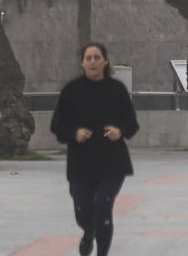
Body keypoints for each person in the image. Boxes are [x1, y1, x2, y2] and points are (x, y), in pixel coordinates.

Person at [51, 42, 139, 256]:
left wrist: (120, 131)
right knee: (83, 211)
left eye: (97, 57)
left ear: (105, 61)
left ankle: (101, 253)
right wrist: (75, 133)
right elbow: (57, 126)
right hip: (81, 163)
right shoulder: (71, 91)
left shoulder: (117, 90)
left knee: (102, 209)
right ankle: (88, 232)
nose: (92, 62)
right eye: (88, 58)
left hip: (112, 163)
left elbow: (132, 123)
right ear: (82, 62)